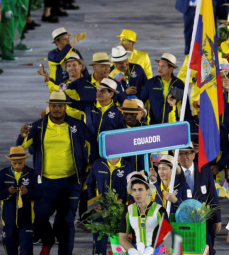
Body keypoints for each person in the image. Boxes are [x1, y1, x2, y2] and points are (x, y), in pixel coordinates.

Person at [17, 91, 96, 255]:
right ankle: (49, 239)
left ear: (65, 107)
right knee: (38, 217)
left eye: (60, 105)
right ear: (49, 107)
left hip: (70, 182)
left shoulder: (77, 125)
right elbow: (20, 149)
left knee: (67, 221)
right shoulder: (37, 126)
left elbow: (93, 143)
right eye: (53, 106)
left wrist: (91, 163)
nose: (56, 109)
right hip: (44, 182)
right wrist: (22, 135)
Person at [178, 143, 222, 254]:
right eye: (181, 153)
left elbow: (212, 196)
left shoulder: (205, 170)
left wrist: (217, 219)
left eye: (187, 153)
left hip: (203, 222)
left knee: (206, 250)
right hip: (181, 222)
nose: (184, 156)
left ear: (194, 154)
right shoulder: (173, 172)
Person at [86, 157, 134, 255]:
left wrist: (127, 209)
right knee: (99, 247)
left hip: (120, 214)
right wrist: (94, 204)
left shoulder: (128, 167)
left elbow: (132, 190)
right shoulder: (98, 163)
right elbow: (90, 184)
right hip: (100, 211)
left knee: (120, 248)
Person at [0, 146, 42, 255]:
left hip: (26, 222)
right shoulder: (2, 174)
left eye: (20, 163)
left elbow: (40, 194)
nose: (17, 166)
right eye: (14, 163)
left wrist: (27, 192)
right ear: (10, 161)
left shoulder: (34, 174)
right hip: (8, 223)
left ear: (24, 160)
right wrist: (8, 192)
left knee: (26, 252)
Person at [119, 172, 169, 255]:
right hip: (134, 251)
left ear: (148, 190)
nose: (137, 193)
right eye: (134, 190)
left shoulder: (160, 210)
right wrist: (133, 251)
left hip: (155, 251)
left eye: (140, 189)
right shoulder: (128, 211)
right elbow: (122, 238)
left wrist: (167, 251)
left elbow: (167, 236)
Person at [66, 78, 126, 143]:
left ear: (111, 94)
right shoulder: (89, 106)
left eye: (102, 91)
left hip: (109, 149)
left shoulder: (118, 112)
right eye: (98, 90)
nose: (98, 93)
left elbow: (122, 134)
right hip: (91, 148)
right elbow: (72, 103)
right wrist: (62, 93)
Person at [140, 53, 188, 125]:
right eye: (159, 66)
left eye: (163, 66)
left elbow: (186, 108)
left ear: (170, 69)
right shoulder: (150, 83)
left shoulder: (178, 84)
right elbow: (141, 102)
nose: (159, 69)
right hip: (153, 126)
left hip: (172, 126)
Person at [40, 53, 88, 121]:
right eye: (69, 66)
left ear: (80, 66)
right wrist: (47, 80)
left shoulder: (87, 84)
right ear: (66, 68)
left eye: (74, 65)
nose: (71, 68)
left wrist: (63, 94)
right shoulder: (64, 84)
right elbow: (55, 89)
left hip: (80, 121)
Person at [118, 99, 147, 171]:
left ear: (138, 114)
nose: (128, 117)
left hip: (143, 171)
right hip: (124, 172)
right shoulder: (117, 131)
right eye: (126, 113)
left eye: (132, 114)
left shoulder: (146, 129)